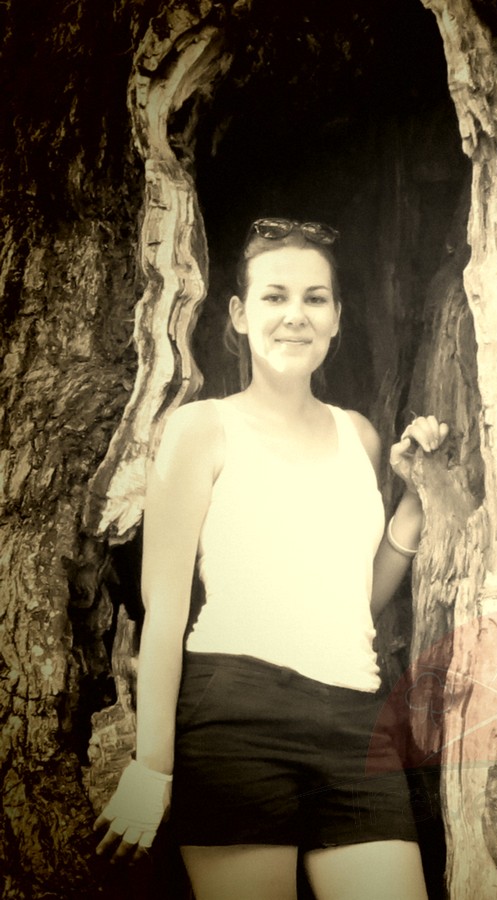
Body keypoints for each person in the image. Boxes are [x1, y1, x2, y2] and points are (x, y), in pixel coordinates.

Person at [94, 217, 449, 900]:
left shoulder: (361, 437)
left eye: (315, 298)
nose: (296, 315)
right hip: (236, 717)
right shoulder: (201, 429)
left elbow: (354, 603)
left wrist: (414, 500)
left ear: (338, 317)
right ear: (239, 314)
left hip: (356, 722)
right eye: (275, 296)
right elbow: (164, 612)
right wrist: (151, 768)